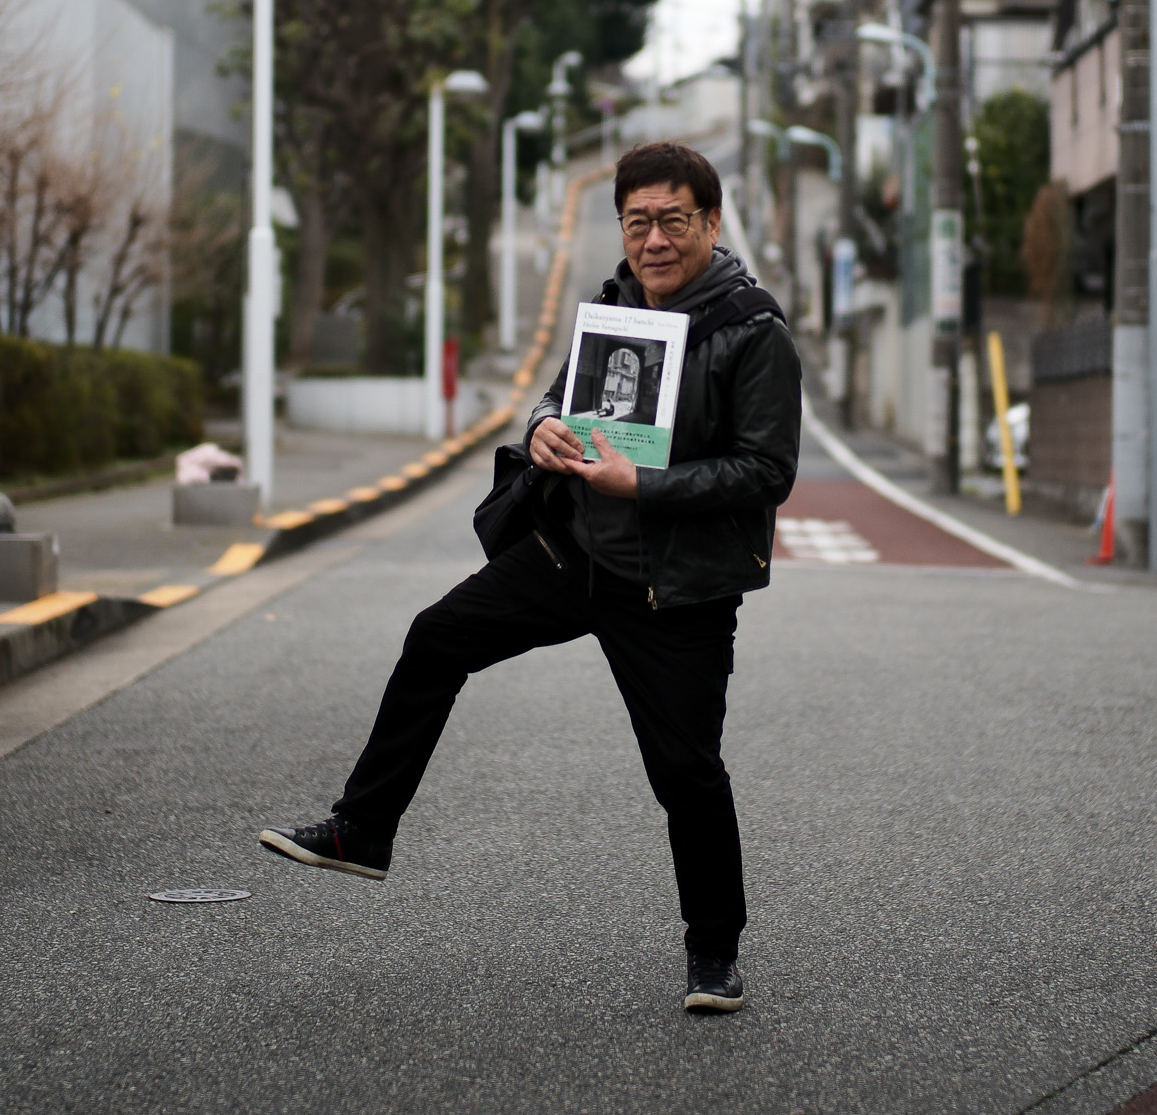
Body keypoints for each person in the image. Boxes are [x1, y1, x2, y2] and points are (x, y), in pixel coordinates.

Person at [258, 141, 802, 1014]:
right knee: (437, 636)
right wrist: (547, 427)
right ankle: (363, 828)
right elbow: (558, 397)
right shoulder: (613, 301)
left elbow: (767, 469)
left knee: (687, 773)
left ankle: (713, 955)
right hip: (570, 552)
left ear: (711, 221)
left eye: (672, 220)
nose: (653, 240)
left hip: (675, 591)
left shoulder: (752, 330)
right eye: (637, 222)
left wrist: (647, 486)